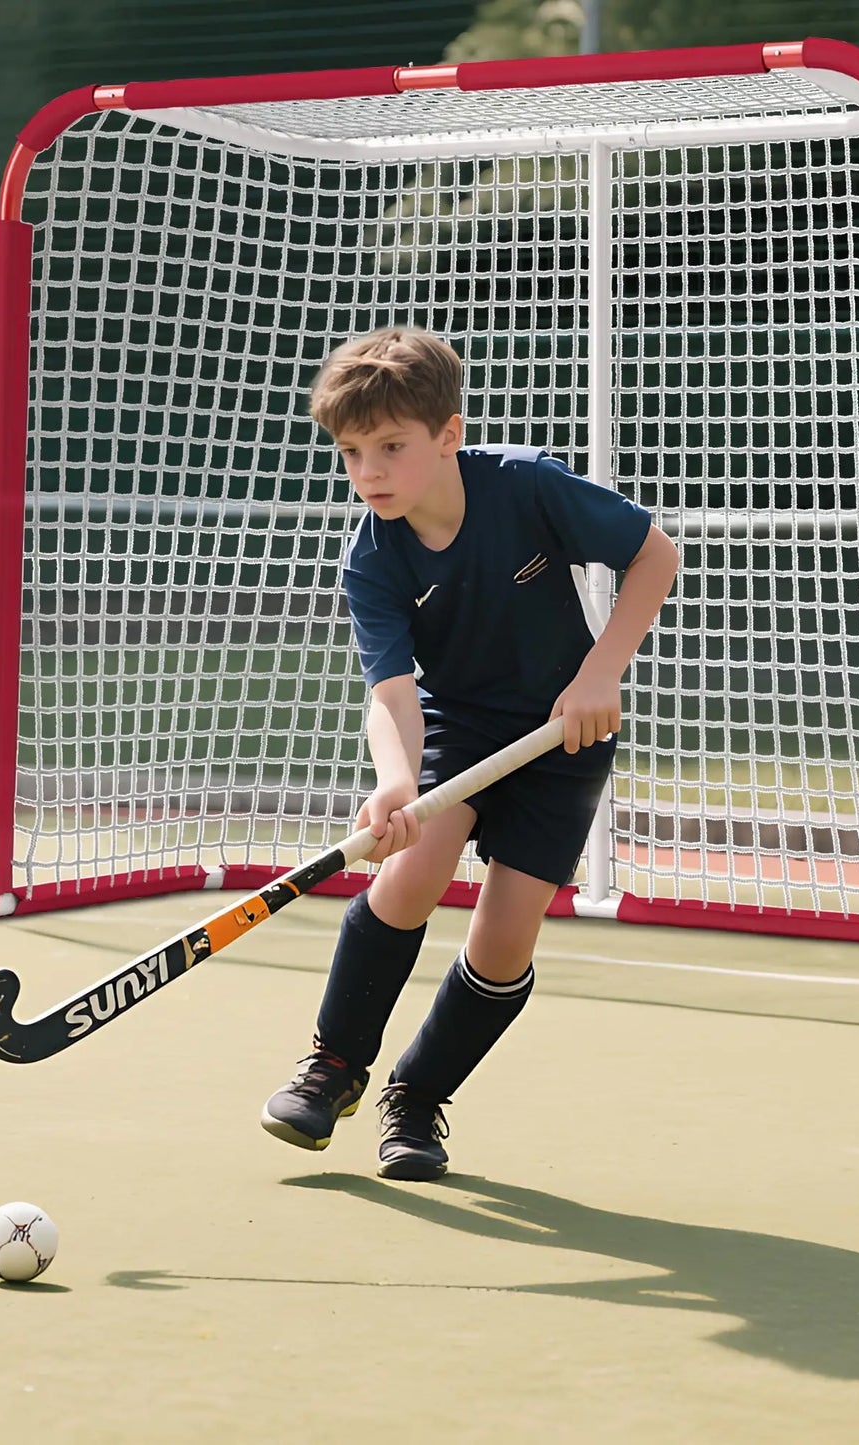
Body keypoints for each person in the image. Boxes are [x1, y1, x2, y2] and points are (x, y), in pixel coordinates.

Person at [261, 326, 679, 1180]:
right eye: (350, 453)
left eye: (389, 447)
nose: (368, 472)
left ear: (447, 435)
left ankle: (415, 1100)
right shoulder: (371, 558)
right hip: (459, 727)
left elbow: (652, 553)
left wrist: (601, 674)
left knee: (501, 944)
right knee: (409, 873)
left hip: (565, 734)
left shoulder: (523, 487)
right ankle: (334, 1065)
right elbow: (391, 691)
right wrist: (397, 781)